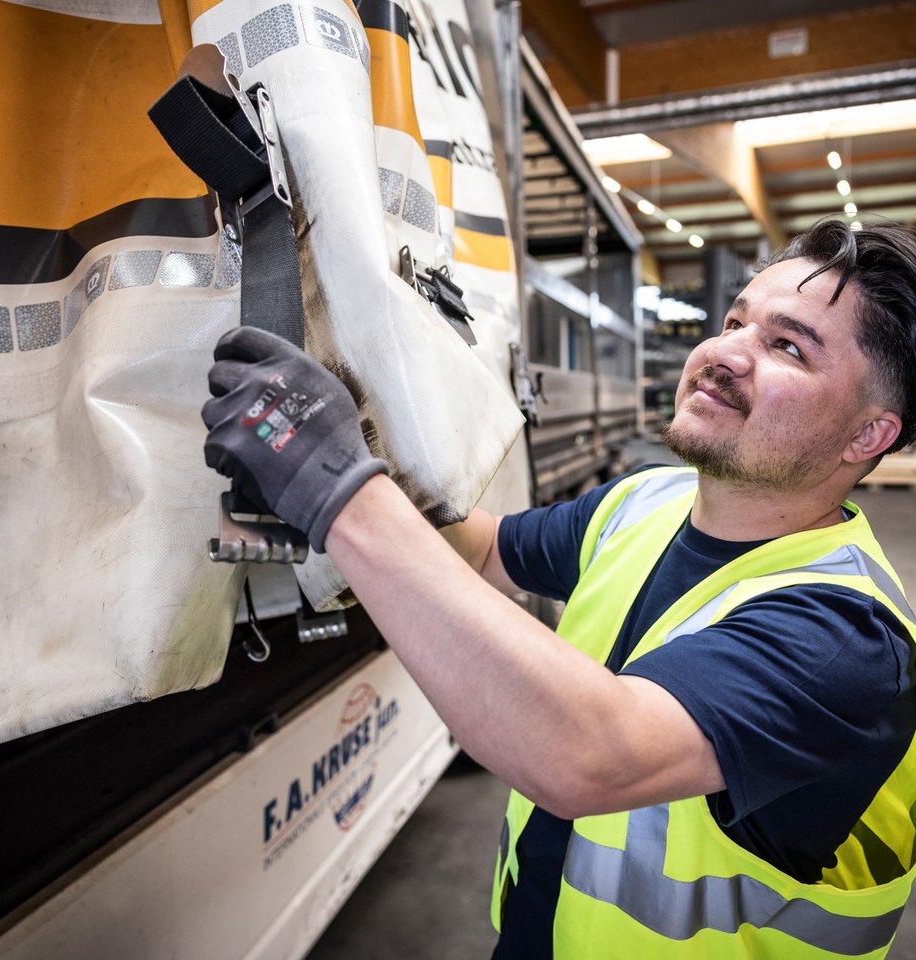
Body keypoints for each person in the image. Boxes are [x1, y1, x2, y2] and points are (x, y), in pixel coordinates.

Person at [202, 218, 916, 958]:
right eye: (735, 320)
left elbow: (587, 754)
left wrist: (337, 489)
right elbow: (479, 551)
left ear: (866, 437)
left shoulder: (846, 634)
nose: (723, 353)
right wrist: (359, 430)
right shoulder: (644, 502)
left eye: (787, 347)